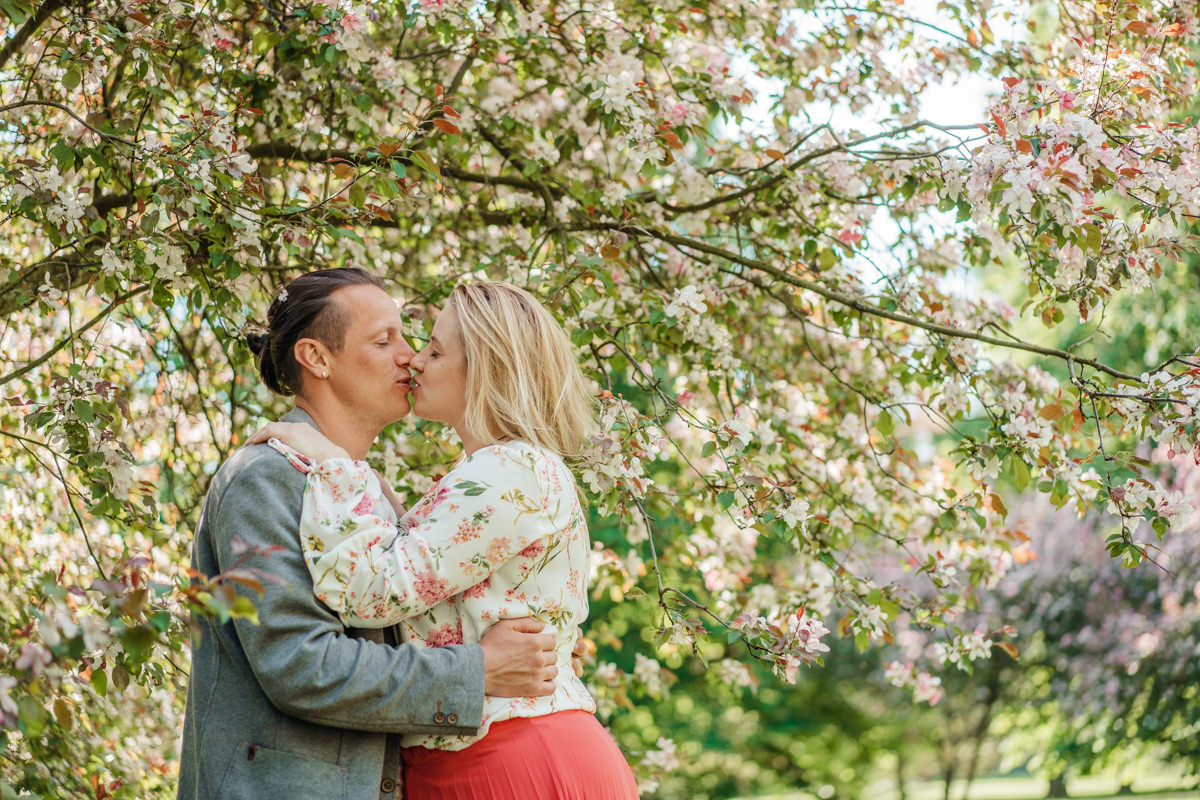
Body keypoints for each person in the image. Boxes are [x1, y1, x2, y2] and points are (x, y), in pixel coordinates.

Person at [178, 269, 564, 800]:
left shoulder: (361, 491)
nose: (410, 357)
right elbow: (303, 667)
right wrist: (479, 670)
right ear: (317, 358)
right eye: (384, 341)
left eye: (409, 338)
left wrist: (537, 644)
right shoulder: (267, 477)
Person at [250, 281, 638, 799]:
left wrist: (334, 463)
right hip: (480, 755)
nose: (414, 360)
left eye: (434, 351)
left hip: (510, 758)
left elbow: (374, 593)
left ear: (485, 368)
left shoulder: (508, 472)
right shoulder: (495, 472)